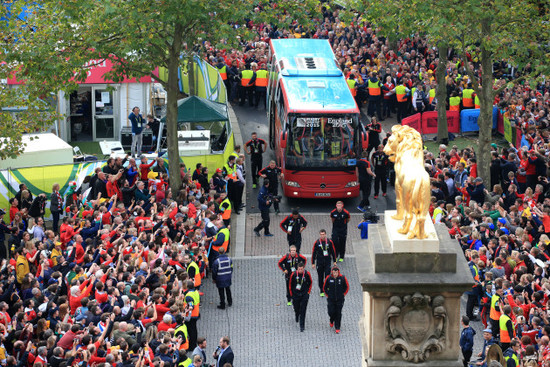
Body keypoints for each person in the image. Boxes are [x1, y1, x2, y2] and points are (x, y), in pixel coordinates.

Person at [323, 266, 349, 334]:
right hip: (331, 299)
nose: (335, 274)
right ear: (332, 272)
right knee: (331, 312)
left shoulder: (342, 278)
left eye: (336, 272)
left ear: (338, 272)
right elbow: (325, 288)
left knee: (338, 313)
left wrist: (343, 294)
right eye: (334, 272)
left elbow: (346, 287)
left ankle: (337, 327)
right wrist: (328, 295)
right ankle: (331, 320)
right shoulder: (328, 278)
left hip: (339, 299)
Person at [311, 229, 336, 296]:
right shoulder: (317, 242)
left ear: (325, 234)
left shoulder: (329, 242)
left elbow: (333, 251)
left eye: (323, 234)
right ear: (319, 235)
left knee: (327, 276)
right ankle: (321, 290)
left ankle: (327, 288)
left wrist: (334, 261)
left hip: (327, 262)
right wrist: (313, 263)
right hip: (319, 262)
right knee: (320, 276)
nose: (322, 236)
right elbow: (314, 253)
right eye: (321, 234)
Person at [288, 262, 312, 332]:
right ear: (297, 269)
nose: (300, 270)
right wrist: (291, 294)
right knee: (296, 308)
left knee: (303, 310)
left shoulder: (307, 274)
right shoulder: (294, 274)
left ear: (303, 268)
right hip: (295, 295)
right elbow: (290, 284)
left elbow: (310, 283)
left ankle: (302, 325)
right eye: (299, 269)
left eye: (301, 269)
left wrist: (308, 293)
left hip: (304, 295)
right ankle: (296, 314)